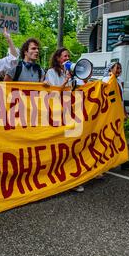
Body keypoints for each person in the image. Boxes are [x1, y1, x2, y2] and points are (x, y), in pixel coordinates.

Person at [44, 48, 85, 193]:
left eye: (69, 55)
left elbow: (82, 88)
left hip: (71, 112)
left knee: (72, 146)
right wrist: (66, 80)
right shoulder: (51, 73)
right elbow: (54, 93)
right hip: (57, 114)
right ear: (58, 59)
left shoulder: (73, 71)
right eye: (64, 56)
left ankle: (73, 179)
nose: (67, 58)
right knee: (59, 148)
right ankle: (58, 177)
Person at [102, 62, 129, 171]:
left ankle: (123, 161)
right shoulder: (106, 80)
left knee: (120, 137)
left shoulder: (119, 80)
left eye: (120, 68)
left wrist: (124, 112)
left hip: (118, 114)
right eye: (117, 68)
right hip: (110, 115)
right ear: (110, 69)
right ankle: (105, 161)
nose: (119, 70)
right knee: (108, 138)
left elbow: (121, 99)